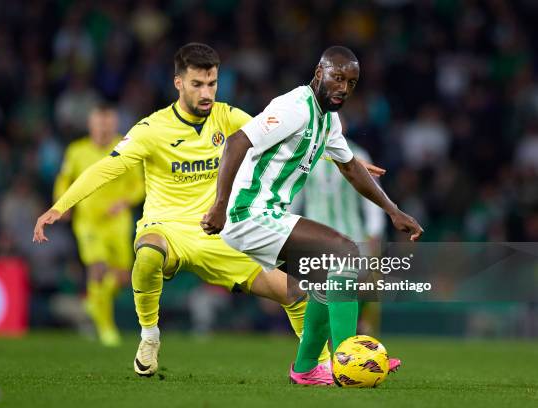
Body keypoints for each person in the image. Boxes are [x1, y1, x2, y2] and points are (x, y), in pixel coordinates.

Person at [35, 43, 376, 376]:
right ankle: (149, 335)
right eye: (197, 84)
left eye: (212, 83)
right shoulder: (151, 129)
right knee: (148, 254)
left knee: (293, 292)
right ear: (178, 83)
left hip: (218, 232)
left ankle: (324, 364)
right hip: (167, 227)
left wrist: (345, 158)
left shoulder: (226, 117)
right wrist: (59, 206)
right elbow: (106, 168)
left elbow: (287, 135)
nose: (206, 93)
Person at [201, 46, 423, 385]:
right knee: (346, 251)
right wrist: (219, 205)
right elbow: (235, 142)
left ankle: (305, 370)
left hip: (268, 214)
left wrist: (392, 210)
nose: (344, 88)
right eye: (337, 78)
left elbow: (350, 167)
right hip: (247, 212)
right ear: (319, 74)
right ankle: (352, 358)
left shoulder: (329, 121)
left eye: (351, 83)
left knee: (324, 283)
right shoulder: (294, 107)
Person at [53, 104, 145, 346]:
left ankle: (95, 302)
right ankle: (106, 329)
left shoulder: (126, 148)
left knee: (123, 276)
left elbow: (140, 185)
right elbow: (64, 179)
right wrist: (62, 204)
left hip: (117, 222)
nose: (103, 129)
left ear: (114, 125)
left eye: (108, 124)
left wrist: (124, 202)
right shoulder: (77, 151)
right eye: (99, 124)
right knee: (98, 268)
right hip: (88, 222)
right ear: (90, 125)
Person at [297, 140, 386, 335]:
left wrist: (373, 231)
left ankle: (359, 337)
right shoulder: (304, 153)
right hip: (316, 236)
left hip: (352, 234)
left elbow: (372, 193)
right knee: (322, 293)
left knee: (357, 288)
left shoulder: (358, 153)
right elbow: (294, 195)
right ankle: (334, 345)